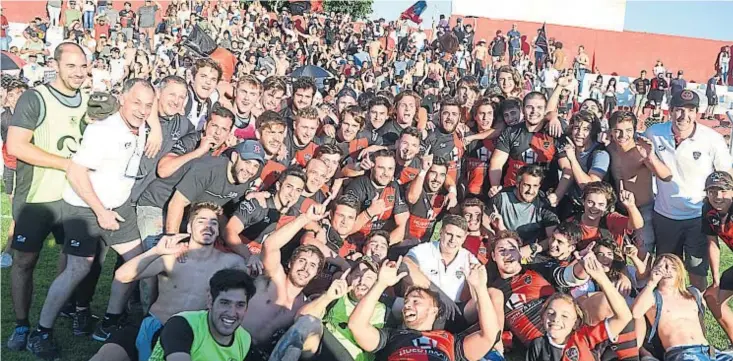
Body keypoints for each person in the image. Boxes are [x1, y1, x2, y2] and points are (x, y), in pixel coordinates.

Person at [5, 43, 91, 353]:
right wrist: (65, 163)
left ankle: (52, 320)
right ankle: (21, 324)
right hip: (37, 197)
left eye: (83, 66)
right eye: (71, 66)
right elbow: (16, 146)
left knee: (72, 260)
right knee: (25, 261)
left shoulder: (89, 100)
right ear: (56, 65)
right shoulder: (35, 97)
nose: (78, 72)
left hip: (74, 197)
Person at [89, 202, 247, 361]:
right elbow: (122, 276)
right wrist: (155, 251)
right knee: (104, 356)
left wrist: (252, 258)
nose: (208, 226)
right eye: (201, 221)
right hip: (154, 324)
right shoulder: (172, 257)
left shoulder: (230, 263)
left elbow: (259, 276)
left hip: (188, 334)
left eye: (213, 222)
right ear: (189, 228)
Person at [645, 89, 733, 291]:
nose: (684, 116)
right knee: (666, 271)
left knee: (697, 271)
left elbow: (726, 176)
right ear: (670, 110)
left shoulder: (712, 139)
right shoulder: (654, 133)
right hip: (665, 214)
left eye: (690, 110)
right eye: (679, 110)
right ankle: (666, 315)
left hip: (697, 216)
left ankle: (697, 314)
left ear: (697, 113)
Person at [348, 255, 502, 361]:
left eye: (416, 301)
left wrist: (480, 288)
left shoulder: (451, 342)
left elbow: (489, 336)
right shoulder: (391, 337)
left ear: (434, 309)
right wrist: (380, 284)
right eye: (407, 301)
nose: (407, 304)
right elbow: (356, 326)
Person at [239, 204, 327, 361]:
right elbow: (270, 245)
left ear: (315, 275)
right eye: (302, 261)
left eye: (312, 266)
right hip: (232, 339)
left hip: (258, 356)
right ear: (290, 264)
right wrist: (304, 218)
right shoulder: (274, 277)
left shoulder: (303, 306)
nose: (305, 268)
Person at [526, 249, 635, 361]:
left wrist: (601, 278)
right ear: (543, 316)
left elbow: (624, 317)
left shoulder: (584, 339)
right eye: (550, 313)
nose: (556, 319)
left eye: (565, 316)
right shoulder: (538, 345)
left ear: (576, 322)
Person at [632, 254, 733, 361]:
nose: (668, 270)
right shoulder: (653, 297)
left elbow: (700, 324)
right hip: (682, 353)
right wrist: (651, 283)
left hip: (709, 351)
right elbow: (636, 312)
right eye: (662, 267)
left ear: (679, 273)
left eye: (673, 267)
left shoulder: (693, 294)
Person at [147, 268, 256, 361]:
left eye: (240, 305)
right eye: (224, 303)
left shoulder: (244, 339)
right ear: (210, 301)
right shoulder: (182, 324)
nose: (232, 313)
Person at [164, 139, 265, 234]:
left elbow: (220, 212)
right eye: (247, 162)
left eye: (255, 166)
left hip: (192, 217)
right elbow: (177, 203)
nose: (250, 170)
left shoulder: (247, 176)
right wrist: (172, 240)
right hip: (161, 204)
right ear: (234, 157)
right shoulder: (209, 169)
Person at [606, 111, 671, 253]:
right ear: (611, 131)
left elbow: (666, 176)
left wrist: (650, 157)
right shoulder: (609, 148)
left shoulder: (641, 150)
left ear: (634, 130)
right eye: (618, 131)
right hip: (618, 208)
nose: (623, 136)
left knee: (643, 250)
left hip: (643, 208)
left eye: (628, 130)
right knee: (614, 250)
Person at [702, 171, 733, 345]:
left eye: (723, 190)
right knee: (712, 296)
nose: (717, 196)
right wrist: (716, 280)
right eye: (712, 191)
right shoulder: (707, 209)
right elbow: (712, 243)